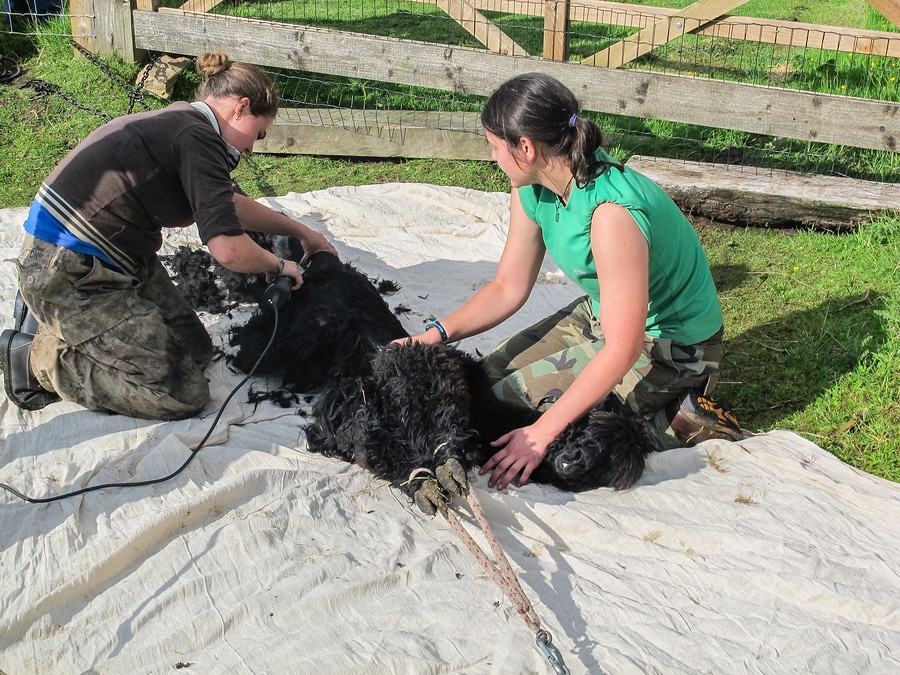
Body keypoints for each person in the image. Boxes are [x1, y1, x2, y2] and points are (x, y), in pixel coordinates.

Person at [402, 73, 744, 491]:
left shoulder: (611, 214)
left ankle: (676, 421)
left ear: (525, 148)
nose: (491, 157)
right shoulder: (532, 187)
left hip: (674, 348)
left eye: (494, 146)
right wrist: (431, 337)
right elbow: (508, 287)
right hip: (602, 315)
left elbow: (624, 348)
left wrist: (540, 434)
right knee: (483, 385)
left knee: (516, 414)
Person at [1, 51, 337, 420]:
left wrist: (302, 232)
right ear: (240, 107)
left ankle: (65, 326)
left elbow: (228, 203)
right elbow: (227, 250)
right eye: (258, 133)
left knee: (194, 351)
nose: (251, 148)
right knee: (181, 394)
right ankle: (36, 359)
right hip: (68, 269)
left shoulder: (186, 123)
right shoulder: (198, 138)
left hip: (117, 258)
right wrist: (278, 264)